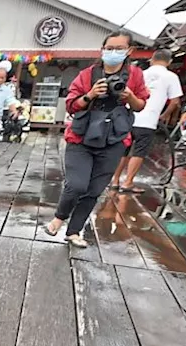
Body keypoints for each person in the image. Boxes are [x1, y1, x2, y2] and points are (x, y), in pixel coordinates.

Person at [44, 32, 149, 246]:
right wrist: (90, 94)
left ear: (129, 51)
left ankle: (74, 231)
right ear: (102, 49)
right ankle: (59, 217)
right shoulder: (88, 74)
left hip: (113, 139)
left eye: (119, 48)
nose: (113, 52)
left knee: (94, 190)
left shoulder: (135, 75)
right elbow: (72, 105)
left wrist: (129, 97)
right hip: (82, 137)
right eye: (109, 48)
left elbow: (141, 105)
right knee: (76, 185)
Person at [111, 48, 182, 192]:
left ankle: (115, 180)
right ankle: (128, 182)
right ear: (169, 62)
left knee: (123, 150)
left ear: (152, 59)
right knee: (139, 152)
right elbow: (175, 102)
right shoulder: (171, 76)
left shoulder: (141, 74)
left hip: (129, 117)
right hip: (148, 120)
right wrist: (164, 115)